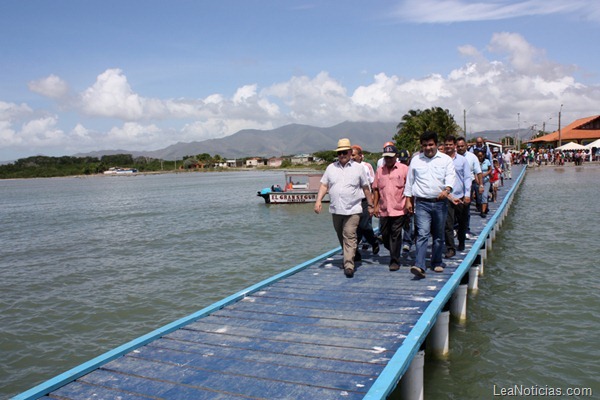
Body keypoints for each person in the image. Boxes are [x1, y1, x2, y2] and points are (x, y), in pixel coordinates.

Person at [314, 138, 373, 278]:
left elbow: (366, 188)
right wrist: (318, 201)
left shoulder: (359, 168)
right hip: (336, 209)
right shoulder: (330, 168)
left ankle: (349, 265)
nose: (342, 155)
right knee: (341, 235)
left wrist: (371, 205)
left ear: (350, 152)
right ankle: (351, 254)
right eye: (339, 153)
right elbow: (324, 185)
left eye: (345, 152)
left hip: (353, 209)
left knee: (349, 235)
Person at [405, 131, 458, 279]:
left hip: (440, 203)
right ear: (421, 146)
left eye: (430, 144)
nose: (428, 148)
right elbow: (410, 181)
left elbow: (451, 177)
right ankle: (419, 265)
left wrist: (447, 190)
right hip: (422, 203)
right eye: (425, 145)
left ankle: (436, 262)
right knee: (422, 234)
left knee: (438, 235)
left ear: (436, 144)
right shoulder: (416, 160)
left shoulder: (445, 160)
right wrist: (408, 200)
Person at [372, 145, 409, 271]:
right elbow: (376, 189)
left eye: (390, 157)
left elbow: (409, 188)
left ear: (396, 157)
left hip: (399, 208)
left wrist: (409, 204)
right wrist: (375, 206)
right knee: (385, 235)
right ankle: (393, 250)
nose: (388, 159)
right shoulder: (379, 171)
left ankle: (394, 260)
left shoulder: (404, 169)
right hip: (384, 209)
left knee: (395, 234)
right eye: (386, 157)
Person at [443, 136, 472, 258]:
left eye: (450, 144)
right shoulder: (441, 160)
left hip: (460, 196)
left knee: (462, 222)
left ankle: (461, 241)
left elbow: (467, 178)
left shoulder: (462, 160)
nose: (448, 147)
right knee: (448, 224)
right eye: (446, 144)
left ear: (454, 145)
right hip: (447, 197)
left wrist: (467, 194)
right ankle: (450, 248)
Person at [351, 144, 379, 259]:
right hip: (352, 201)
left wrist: (373, 202)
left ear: (360, 156)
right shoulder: (347, 167)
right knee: (353, 227)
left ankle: (373, 241)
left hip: (364, 200)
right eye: (350, 155)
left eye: (354, 155)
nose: (352, 157)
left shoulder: (367, 166)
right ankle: (354, 253)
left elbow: (373, 184)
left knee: (364, 225)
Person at [456, 137, 482, 239]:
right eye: (458, 146)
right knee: (454, 209)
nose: (460, 148)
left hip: (468, 186)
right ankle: (456, 228)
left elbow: (478, 171)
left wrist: (481, 185)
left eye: (462, 146)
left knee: (465, 209)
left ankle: (466, 229)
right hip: (455, 187)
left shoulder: (472, 157)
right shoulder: (452, 157)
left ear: (466, 146)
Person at [476, 149, 492, 217]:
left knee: (484, 195)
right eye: (478, 156)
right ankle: (485, 206)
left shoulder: (487, 161)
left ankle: (482, 212)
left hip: (486, 181)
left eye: (481, 156)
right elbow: (474, 172)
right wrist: (477, 181)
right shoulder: (476, 162)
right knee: (479, 196)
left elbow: (490, 169)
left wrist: (486, 174)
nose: (480, 157)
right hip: (478, 181)